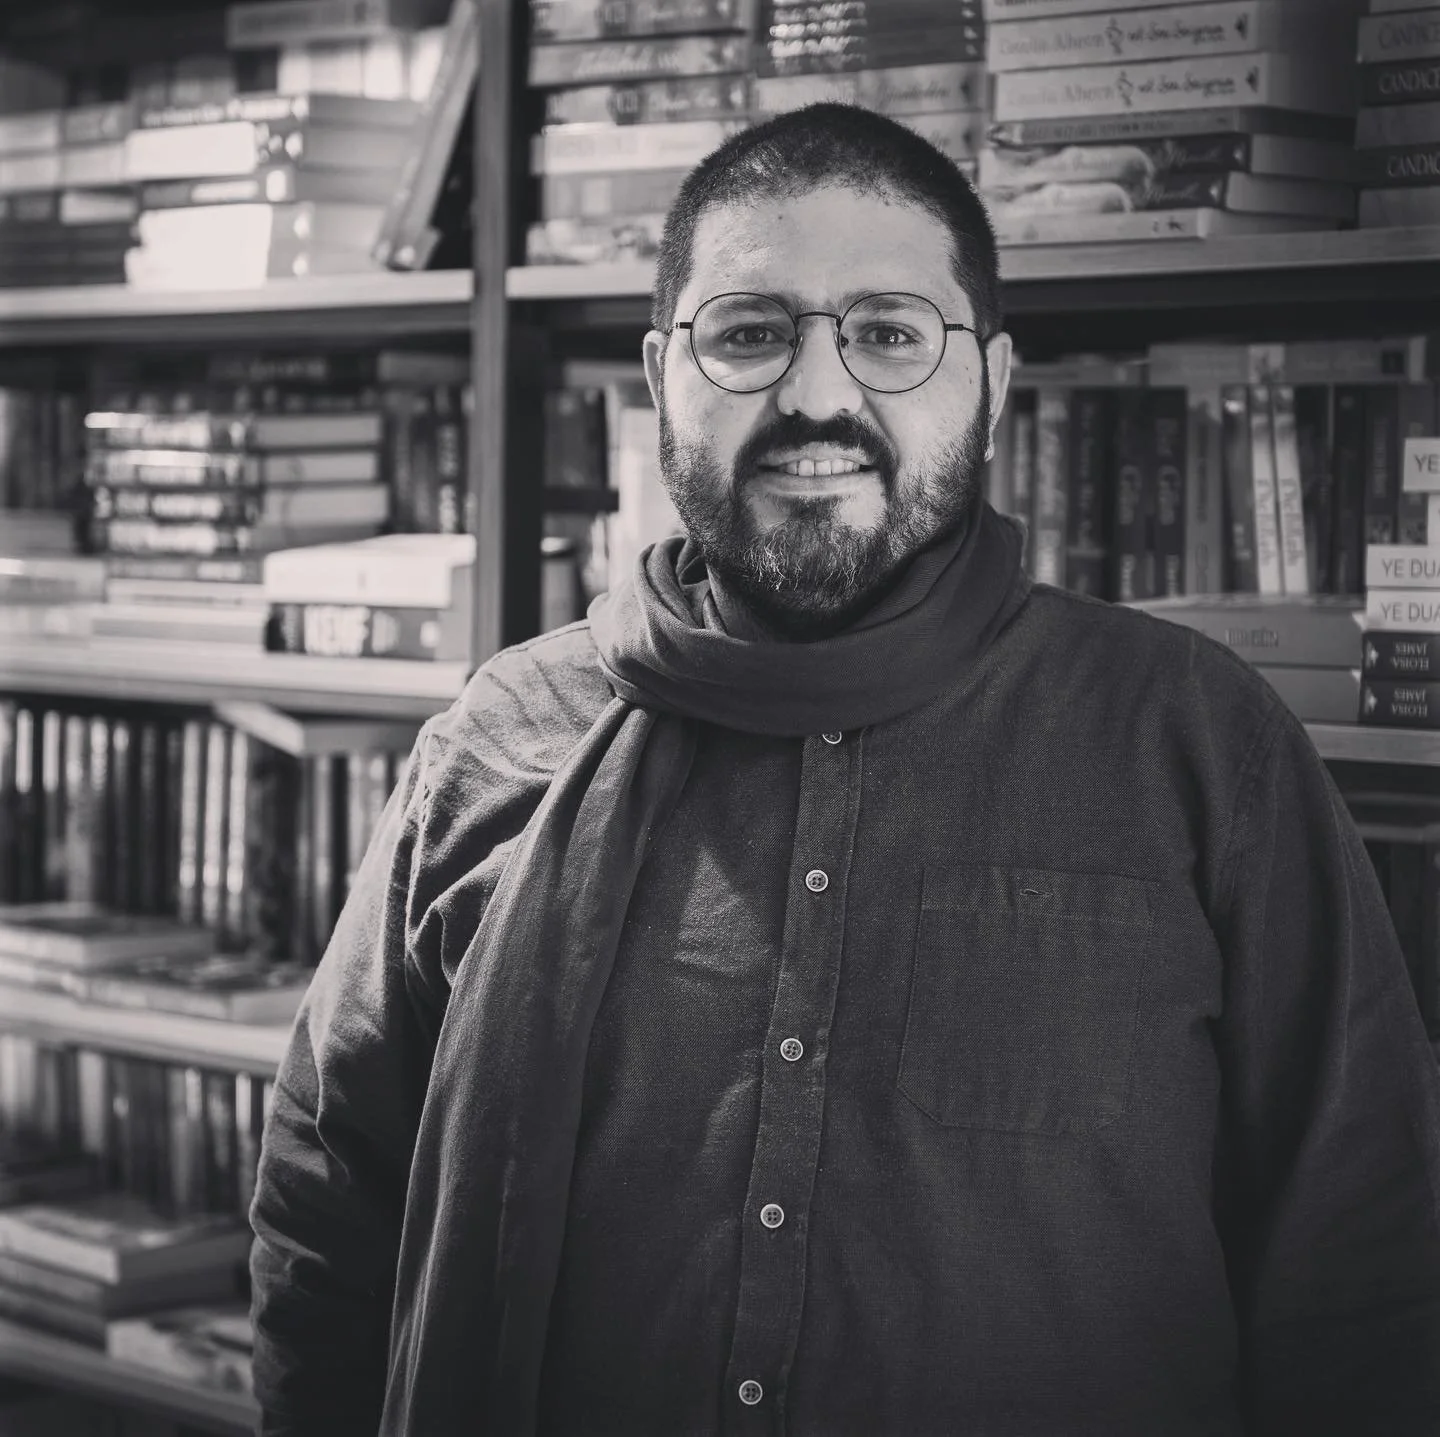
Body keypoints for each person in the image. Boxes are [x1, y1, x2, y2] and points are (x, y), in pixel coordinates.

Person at [249, 103, 1440, 1436]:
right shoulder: (494, 740)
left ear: (991, 379)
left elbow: (1366, 1270)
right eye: (752, 333)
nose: (818, 396)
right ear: (661, 376)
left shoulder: (1201, 746)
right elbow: (328, 1203)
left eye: (887, 332)